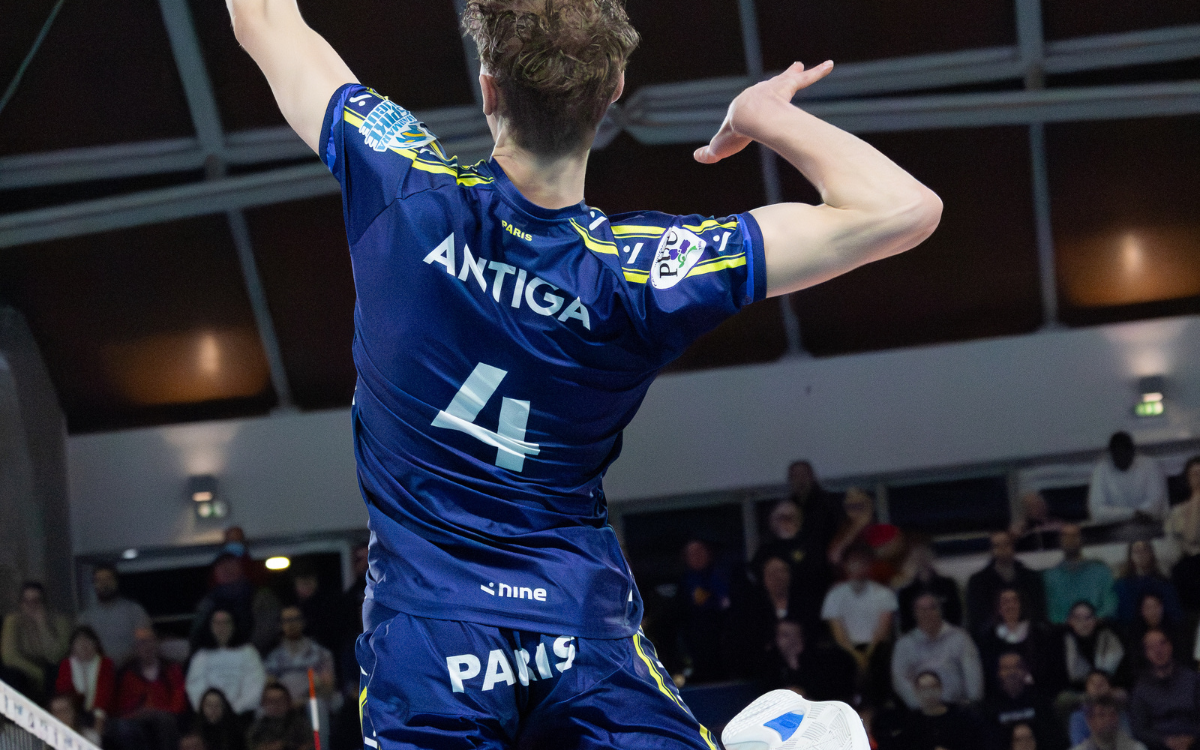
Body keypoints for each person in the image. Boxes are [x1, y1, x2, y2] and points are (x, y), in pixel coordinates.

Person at [222, 0, 941, 745]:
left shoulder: (403, 184)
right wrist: (767, 117)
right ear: (614, 91)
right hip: (580, 631)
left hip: (429, 641)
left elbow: (264, 21)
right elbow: (904, 210)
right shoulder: (645, 272)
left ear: (488, 88)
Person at [822, 546, 898, 702]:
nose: (859, 566)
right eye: (854, 562)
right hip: (848, 650)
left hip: (876, 649)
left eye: (863, 562)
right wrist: (857, 657)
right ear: (845, 566)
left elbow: (882, 632)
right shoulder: (834, 596)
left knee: (880, 661)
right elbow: (839, 636)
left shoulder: (884, 594)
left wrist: (867, 656)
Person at [891, 593, 983, 710]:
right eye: (922, 610)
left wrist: (972, 704)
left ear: (940, 610)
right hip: (922, 710)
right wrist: (920, 705)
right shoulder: (904, 644)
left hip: (957, 708)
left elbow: (973, 675)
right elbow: (900, 680)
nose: (927, 613)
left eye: (932, 608)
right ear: (915, 613)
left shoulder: (960, 638)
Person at [263, 606, 336, 750]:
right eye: (287, 620)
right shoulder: (273, 657)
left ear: (303, 622)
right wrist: (286, 702)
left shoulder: (320, 653)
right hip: (283, 703)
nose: (291, 624)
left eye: (295, 619)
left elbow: (328, 687)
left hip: (310, 700)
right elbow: (270, 686)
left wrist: (302, 700)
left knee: (316, 706)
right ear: (280, 625)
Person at [116, 627, 188, 750]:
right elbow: (122, 705)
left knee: (165, 721)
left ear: (157, 643)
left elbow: (179, 698)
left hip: (166, 718)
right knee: (125, 727)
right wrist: (139, 712)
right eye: (142, 642)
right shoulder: (126, 673)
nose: (147, 646)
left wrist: (160, 711)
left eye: (150, 641)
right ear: (136, 647)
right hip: (137, 719)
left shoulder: (172, 669)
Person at [186, 610, 266, 717]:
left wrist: (233, 710)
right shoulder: (201, 656)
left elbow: (255, 686)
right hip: (209, 716)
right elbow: (195, 687)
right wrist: (210, 710)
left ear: (233, 625)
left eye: (226, 623)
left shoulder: (248, 652)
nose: (221, 627)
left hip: (243, 715)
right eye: (217, 623)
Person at [967, 532, 1048, 637]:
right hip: (992, 638)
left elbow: (1038, 612)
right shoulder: (978, 581)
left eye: (1006, 544)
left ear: (1013, 546)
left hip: (1029, 636)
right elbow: (978, 618)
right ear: (991, 550)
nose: (1002, 549)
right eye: (997, 545)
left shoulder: (1031, 578)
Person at [1, 581, 71, 701]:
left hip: (52, 672)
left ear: (44, 603)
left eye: (36, 601)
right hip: (26, 672)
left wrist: (42, 624)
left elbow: (56, 657)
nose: (31, 606)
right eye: (26, 601)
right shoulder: (13, 621)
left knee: (54, 672)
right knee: (11, 675)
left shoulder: (60, 622)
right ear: (20, 604)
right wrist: (38, 674)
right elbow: (9, 657)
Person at [1130, 630, 1200, 750]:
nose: (1158, 650)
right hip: (1159, 745)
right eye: (1151, 647)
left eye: (1162, 643)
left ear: (1170, 646)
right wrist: (1165, 741)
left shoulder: (1193, 680)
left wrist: (1192, 737)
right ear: (1146, 653)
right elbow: (1139, 729)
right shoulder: (1141, 689)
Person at [760, 619, 857, 703]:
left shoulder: (822, 662)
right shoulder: (774, 665)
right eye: (777, 634)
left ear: (799, 637)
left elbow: (830, 693)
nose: (779, 639)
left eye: (785, 635)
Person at [984, 652, 1065, 750]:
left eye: (1017, 667)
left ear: (1026, 671)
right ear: (998, 673)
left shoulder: (1040, 701)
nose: (1012, 672)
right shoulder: (988, 708)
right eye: (1006, 668)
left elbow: (1054, 738)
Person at [977, 588, 1053, 693]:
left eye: (1014, 601)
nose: (1010, 606)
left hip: (1033, 690)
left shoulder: (1036, 633)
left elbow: (1043, 665)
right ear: (999, 608)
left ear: (1021, 605)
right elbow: (989, 669)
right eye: (1005, 602)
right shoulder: (989, 637)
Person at [675, 539, 730, 683]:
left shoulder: (723, 576)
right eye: (692, 554)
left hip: (724, 636)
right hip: (696, 642)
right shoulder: (684, 584)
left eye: (700, 552)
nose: (697, 556)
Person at [1088, 433, 1168, 531]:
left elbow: (1155, 505)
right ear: (1110, 454)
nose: (1121, 458)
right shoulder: (1100, 470)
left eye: (1124, 454)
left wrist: (1121, 515)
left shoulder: (1151, 466)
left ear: (1133, 451)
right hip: (1114, 532)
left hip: (1152, 528)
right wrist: (1133, 514)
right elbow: (1097, 512)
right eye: (1117, 455)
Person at [77, 564, 152, 669]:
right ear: (94, 585)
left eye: (108, 579)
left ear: (116, 582)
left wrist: (125, 662)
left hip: (131, 670)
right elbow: (80, 648)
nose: (104, 584)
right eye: (99, 580)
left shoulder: (134, 611)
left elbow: (145, 642)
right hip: (98, 672)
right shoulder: (85, 617)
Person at [1044, 525, 1118, 624]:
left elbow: (1110, 604)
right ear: (1060, 540)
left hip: (1097, 627)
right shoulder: (1051, 575)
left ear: (1082, 539)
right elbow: (1052, 611)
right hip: (1064, 630)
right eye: (1066, 536)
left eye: (1074, 536)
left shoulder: (1100, 570)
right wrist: (1070, 624)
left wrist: (1090, 622)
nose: (1070, 540)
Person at [1055, 602, 1126, 699]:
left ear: (1095, 620)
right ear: (1070, 621)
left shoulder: (1110, 640)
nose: (1083, 623)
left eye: (1088, 617)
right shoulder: (1061, 643)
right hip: (1076, 694)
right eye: (1078, 618)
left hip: (1109, 692)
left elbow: (1123, 675)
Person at [54, 626, 117, 735]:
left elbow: (104, 697)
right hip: (74, 715)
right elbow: (64, 693)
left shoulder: (106, 664)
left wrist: (97, 730)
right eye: (79, 643)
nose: (84, 646)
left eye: (88, 642)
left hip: (101, 716)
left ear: (96, 645)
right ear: (72, 647)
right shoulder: (66, 665)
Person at [894, 671, 979, 750]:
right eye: (923, 689)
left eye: (933, 687)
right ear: (916, 692)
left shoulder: (962, 718)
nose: (929, 692)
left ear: (941, 688)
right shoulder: (910, 723)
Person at [896, 540, 963, 633]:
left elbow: (956, 614)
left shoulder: (948, 585)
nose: (921, 559)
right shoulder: (905, 593)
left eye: (924, 554)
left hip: (948, 636)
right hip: (917, 639)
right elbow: (905, 623)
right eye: (917, 555)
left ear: (932, 556)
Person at [1115, 542, 1182, 628]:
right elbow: (1120, 616)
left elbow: (1175, 615)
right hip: (1131, 629)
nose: (1141, 554)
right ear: (1130, 556)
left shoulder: (1164, 583)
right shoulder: (1121, 585)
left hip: (1162, 629)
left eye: (1145, 550)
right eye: (1136, 551)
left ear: (1151, 553)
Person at [1166, 457, 1200, 612]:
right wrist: (1196, 501)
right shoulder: (1177, 511)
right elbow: (1189, 539)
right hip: (1189, 563)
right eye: (1195, 474)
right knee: (1181, 571)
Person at [1069, 672, 1132, 747]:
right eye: (1093, 683)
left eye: (1102, 682)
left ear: (1110, 687)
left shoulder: (1120, 711)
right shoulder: (1078, 716)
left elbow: (1128, 738)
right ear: (1086, 688)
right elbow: (1078, 743)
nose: (1097, 686)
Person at [246, 683, 314, 750]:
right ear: (263, 703)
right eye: (270, 701)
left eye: (279, 700)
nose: (274, 705)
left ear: (288, 702)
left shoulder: (299, 723)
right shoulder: (257, 726)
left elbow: (309, 743)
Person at [1072, 695, 1147, 750]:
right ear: (1090, 721)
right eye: (1102, 715)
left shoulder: (1137, 748)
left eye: (1112, 714)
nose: (1108, 719)